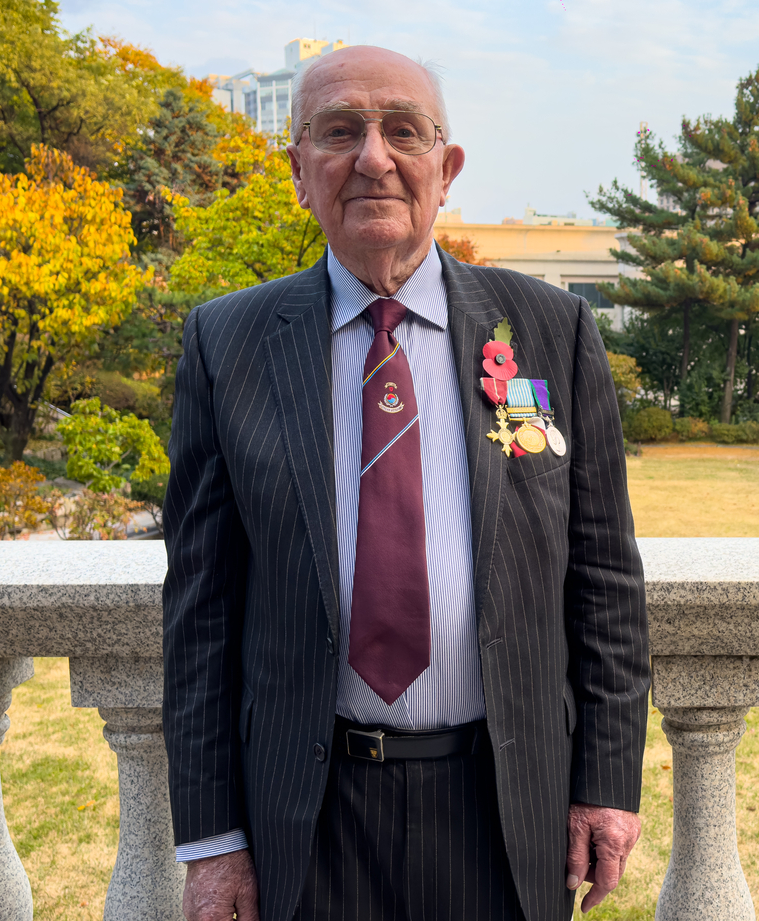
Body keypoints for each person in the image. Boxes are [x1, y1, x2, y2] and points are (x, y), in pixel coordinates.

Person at [162, 45, 649, 921]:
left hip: (507, 806)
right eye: (340, 132)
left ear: (446, 167)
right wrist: (211, 838)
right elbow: (200, 606)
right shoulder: (226, 344)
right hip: (303, 819)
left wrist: (607, 783)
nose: (374, 158)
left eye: (403, 132)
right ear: (299, 170)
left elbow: (606, 576)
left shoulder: (551, 330)